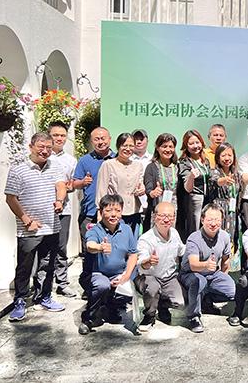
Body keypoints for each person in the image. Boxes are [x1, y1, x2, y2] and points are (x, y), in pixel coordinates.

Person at [5, 132, 67, 321]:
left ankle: (44, 297)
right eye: (41, 147)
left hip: (52, 226)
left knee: (47, 265)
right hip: (28, 229)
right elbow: (11, 198)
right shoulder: (18, 170)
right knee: (24, 267)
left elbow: (61, 185)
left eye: (49, 147)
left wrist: (59, 201)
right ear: (31, 147)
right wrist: (27, 220)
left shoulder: (55, 166)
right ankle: (20, 301)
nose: (45, 151)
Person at [79, 194, 138, 335]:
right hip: (96, 274)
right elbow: (90, 245)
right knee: (102, 285)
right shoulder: (94, 230)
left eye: (117, 211)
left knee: (131, 289)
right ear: (101, 212)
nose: (113, 215)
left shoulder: (126, 230)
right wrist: (100, 247)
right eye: (108, 210)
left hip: (117, 275)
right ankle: (88, 318)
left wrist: (126, 276)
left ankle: (110, 307)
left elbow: (133, 254)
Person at [180, 204, 236, 333]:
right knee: (199, 281)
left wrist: (224, 275)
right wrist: (206, 265)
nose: (213, 223)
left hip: (212, 273)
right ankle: (193, 316)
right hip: (191, 273)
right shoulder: (194, 238)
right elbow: (193, 264)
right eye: (210, 219)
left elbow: (226, 259)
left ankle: (206, 299)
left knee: (232, 290)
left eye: (217, 220)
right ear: (202, 220)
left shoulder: (224, 236)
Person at [135, 202, 185, 331]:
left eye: (170, 216)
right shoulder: (146, 239)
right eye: (162, 216)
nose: (166, 220)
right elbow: (141, 262)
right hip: (149, 276)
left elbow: (182, 250)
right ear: (154, 216)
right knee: (152, 288)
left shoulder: (174, 233)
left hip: (169, 277)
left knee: (180, 303)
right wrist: (148, 261)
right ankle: (149, 315)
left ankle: (162, 305)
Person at [47, 121, 78, 298]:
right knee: (43, 248)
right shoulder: (43, 156)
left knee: (61, 247)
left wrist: (69, 186)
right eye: (55, 135)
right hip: (42, 209)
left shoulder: (71, 160)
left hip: (63, 210)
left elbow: (72, 185)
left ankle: (62, 283)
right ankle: (42, 284)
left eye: (62, 135)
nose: (59, 138)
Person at [72, 127, 115, 251]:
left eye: (103, 138)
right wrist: (83, 182)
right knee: (90, 250)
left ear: (109, 139)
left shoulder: (118, 159)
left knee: (111, 250)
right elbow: (74, 183)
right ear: (91, 142)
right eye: (96, 139)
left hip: (113, 213)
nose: (100, 142)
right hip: (90, 213)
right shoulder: (84, 160)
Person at [95, 132, 145, 235]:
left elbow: (140, 184)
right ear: (118, 146)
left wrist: (142, 189)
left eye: (131, 146)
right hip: (114, 213)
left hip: (134, 212)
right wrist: (100, 213)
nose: (128, 149)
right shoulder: (108, 164)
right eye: (124, 145)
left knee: (132, 243)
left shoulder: (138, 165)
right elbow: (101, 190)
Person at [177, 129, 211, 241]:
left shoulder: (205, 160)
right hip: (194, 200)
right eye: (191, 143)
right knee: (194, 229)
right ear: (186, 146)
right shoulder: (184, 162)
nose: (195, 146)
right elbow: (187, 188)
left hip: (207, 199)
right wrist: (191, 176)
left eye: (197, 142)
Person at [143, 133, 179, 233]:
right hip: (158, 209)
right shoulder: (151, 167)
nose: (168, 149)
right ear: (157, 148)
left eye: (171, 147)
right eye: (164, 146)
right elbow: (148, 188)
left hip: (174, 210)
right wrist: (152, 192)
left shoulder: (178, 167)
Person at [210, 143, 243, 250]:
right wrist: (224, 180)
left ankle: (231, 259)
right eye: (223, 155)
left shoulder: (236, 174)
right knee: (219, 237)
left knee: (232, 236)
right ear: (218, 157)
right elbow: (216, 181)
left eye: (229, 155)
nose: (227, 158)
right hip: (220, 209)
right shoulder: (214, 172)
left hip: (233, 211)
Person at [131, 129, 152, 215]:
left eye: (141, 139)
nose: (138, 142)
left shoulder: (153, 159)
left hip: (150, 203)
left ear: (147, 141)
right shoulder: (127, 159)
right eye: (135, 139)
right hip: (132, 205)